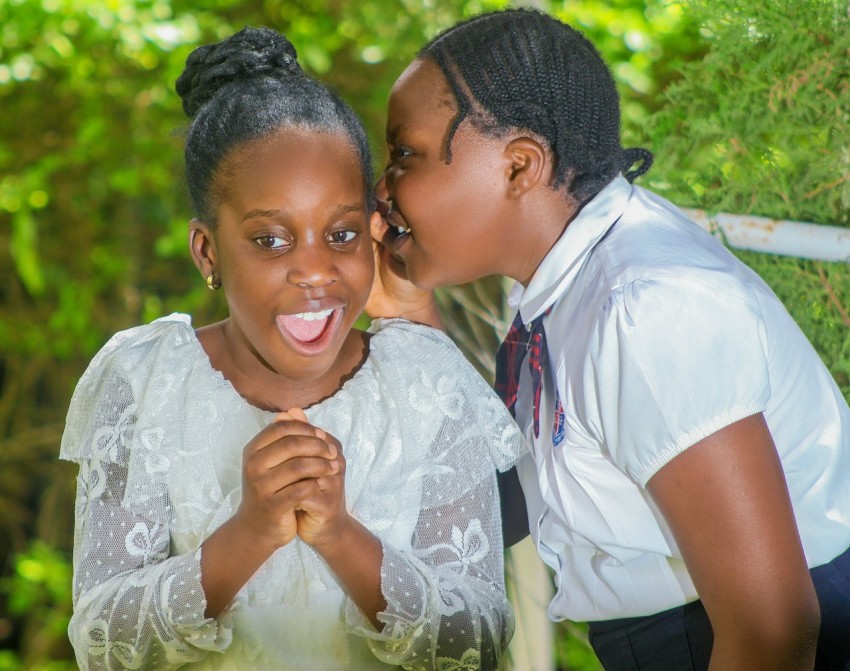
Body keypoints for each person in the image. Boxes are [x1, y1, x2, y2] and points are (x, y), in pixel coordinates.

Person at [367, 8, 850, 671]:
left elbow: (772, 631)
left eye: (403, 155)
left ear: (519, 167)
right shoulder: (563, 291)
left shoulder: (646, 310)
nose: (381, 191)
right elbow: (492, 505)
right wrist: (403, 312)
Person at [59, 26, 524, 671]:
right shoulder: (145, 386)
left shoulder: (426, 384)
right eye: (271, 240)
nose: (315, 270)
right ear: (208, 252)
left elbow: (480, 641)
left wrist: (339, 534)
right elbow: (102, 646)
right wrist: (249, 533)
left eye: (339, 234)